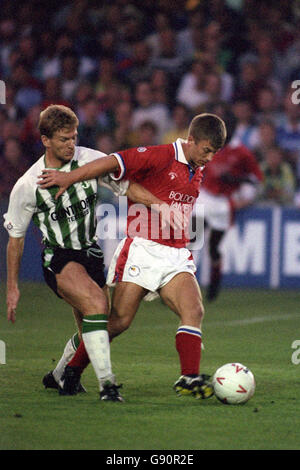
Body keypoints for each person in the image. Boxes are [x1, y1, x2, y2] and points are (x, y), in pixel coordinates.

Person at [38, 113, 227, 399]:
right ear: (191, 140)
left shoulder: (196, 167)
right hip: (143, 249)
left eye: (214, 152)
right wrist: (69, 176)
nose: (210, 158)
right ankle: (72, 371)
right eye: (206, 150)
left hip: (177, 254)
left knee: (194, 311)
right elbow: (112, 162)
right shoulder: (159, 155)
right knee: (118, 322)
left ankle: (188, 377)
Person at [3, 104, 171, 402]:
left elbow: (126, 187)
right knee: (97, 306)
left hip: (91, 254)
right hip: (59, 258)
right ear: (45, 140)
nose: (71, 145)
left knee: (97, 331)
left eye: (74, 137)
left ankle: (60, 375)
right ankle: (107, 384)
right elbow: (15, 239)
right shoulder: (28, 184)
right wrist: (13, 287)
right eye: (64, 139)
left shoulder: (90, 160)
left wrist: (160, 206)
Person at [193, 135, 263, 301]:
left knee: (213, 247)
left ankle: (214, 284)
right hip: (205, 196)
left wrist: (236, 180)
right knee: (191, 240)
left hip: (224, 203)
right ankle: (179, 285)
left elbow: (255, 177)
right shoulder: (208, 143)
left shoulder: (242, 152)